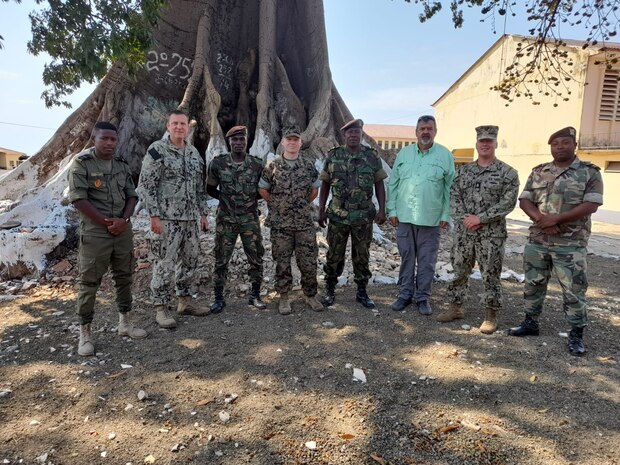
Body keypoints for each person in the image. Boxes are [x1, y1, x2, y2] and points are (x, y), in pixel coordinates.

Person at [509, 126, 603, 356]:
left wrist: (557, 219)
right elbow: (525, 200)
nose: (560, 147)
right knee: (533, 283)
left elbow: (592, 204)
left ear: (574, 145)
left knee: (573, 289)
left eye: (565, 142)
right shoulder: (540, 171)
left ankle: (576, 334)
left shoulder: (590, 172)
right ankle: (530, 323)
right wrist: (541, 219)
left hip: (570, 244)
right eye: (555, 144)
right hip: (538, 239)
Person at [67, 121, 146, 356]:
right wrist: (106, 222)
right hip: (96, 233)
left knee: (124, 277)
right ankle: (85, 333)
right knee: (89, 282)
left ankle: (125, 323)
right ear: (95, 139)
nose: (110, 143)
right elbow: (79, 200)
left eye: (113, 139)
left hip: (122, 231)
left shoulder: (121, 165)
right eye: (105, 139)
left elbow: (131, 196)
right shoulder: (82, 164)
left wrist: (124, 220)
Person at [437, 125, 519, 334]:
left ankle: (491, 314)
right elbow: (454, 197)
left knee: (490, 274)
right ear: (476, 144)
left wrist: (480, 218)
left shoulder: (507, 173)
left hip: (491, 235)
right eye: (482, 141)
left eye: (489, 141)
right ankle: (456, 307)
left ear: (495, 144)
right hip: (465, 233)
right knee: (459, 271)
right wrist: (466, 219)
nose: (485, 144)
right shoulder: (463, 172)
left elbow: (507, 203)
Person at [137, 110, 210, 329]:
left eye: (183, 124)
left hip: (190, 219)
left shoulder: (194, 154)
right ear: (168, 126)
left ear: (188, 127)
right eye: (175, 123)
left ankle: (184, 302)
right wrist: (154, 215)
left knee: (190, 261)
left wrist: (204, 213)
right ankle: (161, 307)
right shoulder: (157, 151)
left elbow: (199, 187)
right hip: (166, 219)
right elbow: (146, 184)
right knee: (164, 263)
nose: (179, 127)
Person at [387, 115, 455, 315]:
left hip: (431, 218)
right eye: (422, 128)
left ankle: (423, 297)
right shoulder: (404, 154)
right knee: (407, 257)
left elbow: (450, 188)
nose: (425, 132)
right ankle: (405, 294)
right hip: (405, 217)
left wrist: (446, 214)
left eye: (429, 128)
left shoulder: (444, 155)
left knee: (427, 260)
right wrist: (392, 210)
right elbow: (394, 183)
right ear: (416, 132)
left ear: (435, 131)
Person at [318, 118, 387, 309]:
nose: (354, 135)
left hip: (363, 216)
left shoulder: (372, 156)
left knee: (362, 255)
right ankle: (330, 290)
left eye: (357, 132)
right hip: (338, 215)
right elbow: (325, 183)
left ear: (361, 134)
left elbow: (379, 183)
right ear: (344, 135)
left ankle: (362, 292)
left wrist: (382, 209)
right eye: (350, 132)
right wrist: (321, 209)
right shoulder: (334, 156)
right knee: (334, 254)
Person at [258, 126, 324, 315]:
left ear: (300, 143)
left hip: (303, 223)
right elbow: (262, 189)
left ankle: (310, 295)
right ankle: (284, 297)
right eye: (289, 140)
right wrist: (277, 203)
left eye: (296, 140)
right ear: (283, 143)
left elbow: (314, 190)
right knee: (282, 261)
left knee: (308, 260)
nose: (293, 143)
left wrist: (301, 204)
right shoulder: (273, 166)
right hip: (280, 225)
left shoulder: (308, 166)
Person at [207, 125, 265, 313]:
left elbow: (263, 190)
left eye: (242, 139)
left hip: (249, 218)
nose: (238, 143)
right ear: (229, 142)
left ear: (246, 141)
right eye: (235, 140)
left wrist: (248, 201)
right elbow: (209, 188)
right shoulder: (218, 163)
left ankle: (255, 295)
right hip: (226, 219)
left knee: (255, 258)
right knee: (221, 259)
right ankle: (218, 298)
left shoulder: (256, 164)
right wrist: (226, 200)